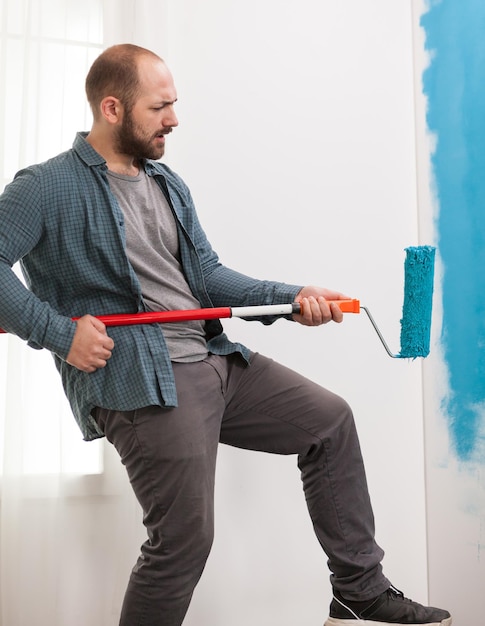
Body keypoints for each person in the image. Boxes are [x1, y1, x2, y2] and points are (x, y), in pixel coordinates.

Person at [0, 43, 451, 626]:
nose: (174, 119)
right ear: (112, 108)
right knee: (183, 543)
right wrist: (59, 334)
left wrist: (292, 298)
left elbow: (208, 277)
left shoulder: (166, 182)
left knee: (329, 422)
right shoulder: (44, 187)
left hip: (216, 358)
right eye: (160, 107)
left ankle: (358, 590)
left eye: (175, 104)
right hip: (146, 381)